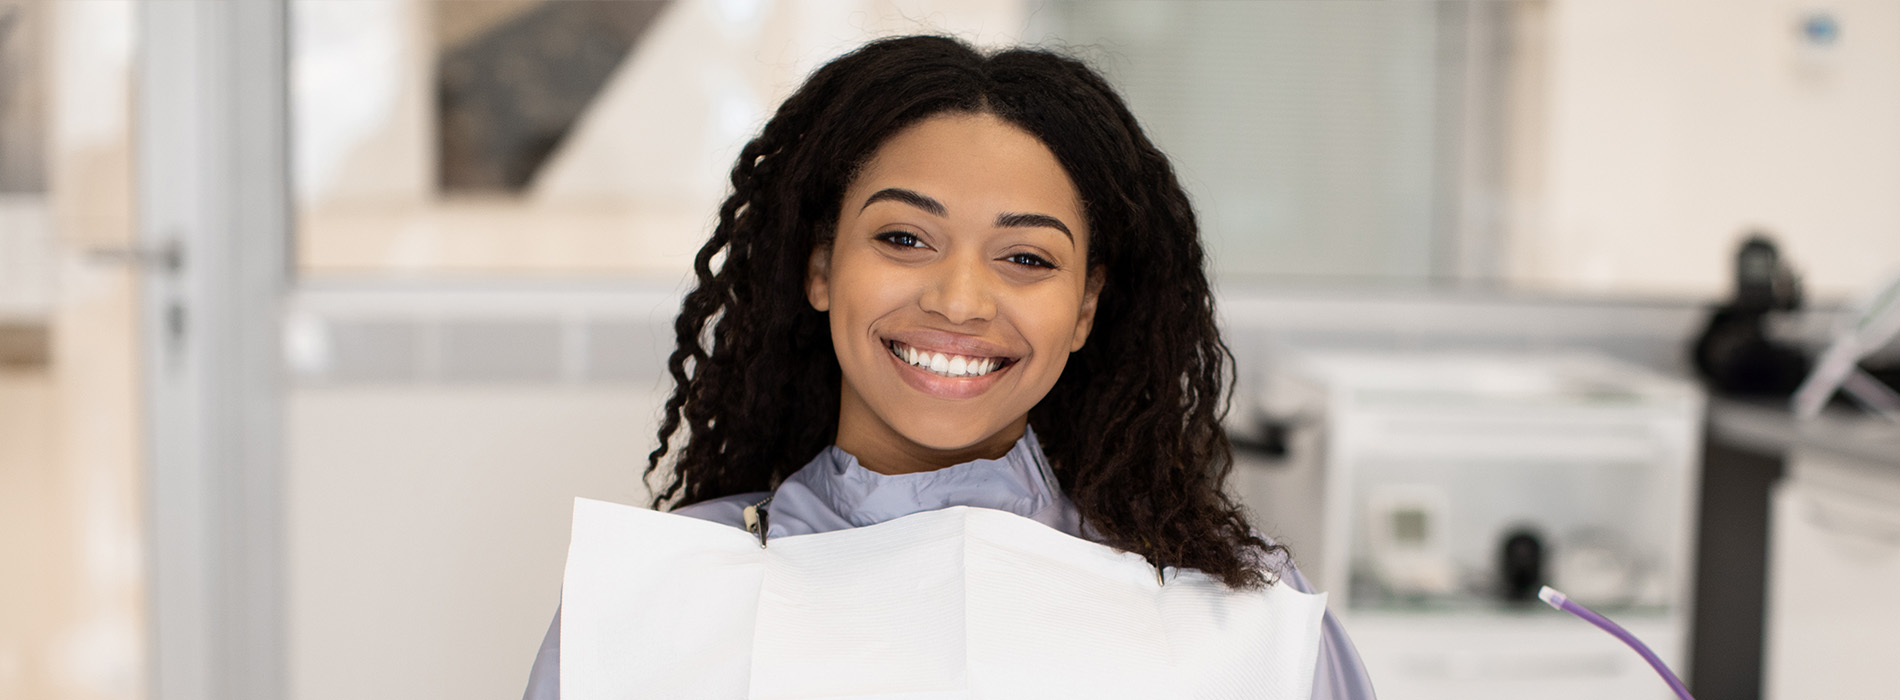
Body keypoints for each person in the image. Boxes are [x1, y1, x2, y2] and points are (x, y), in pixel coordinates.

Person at [524, 35, 1374, 699]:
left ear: (1085, 309)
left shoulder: (1240, 619)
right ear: (820, 267)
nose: (960, 301)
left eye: (1027, 258)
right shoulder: (653, 601)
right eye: (904, 238)